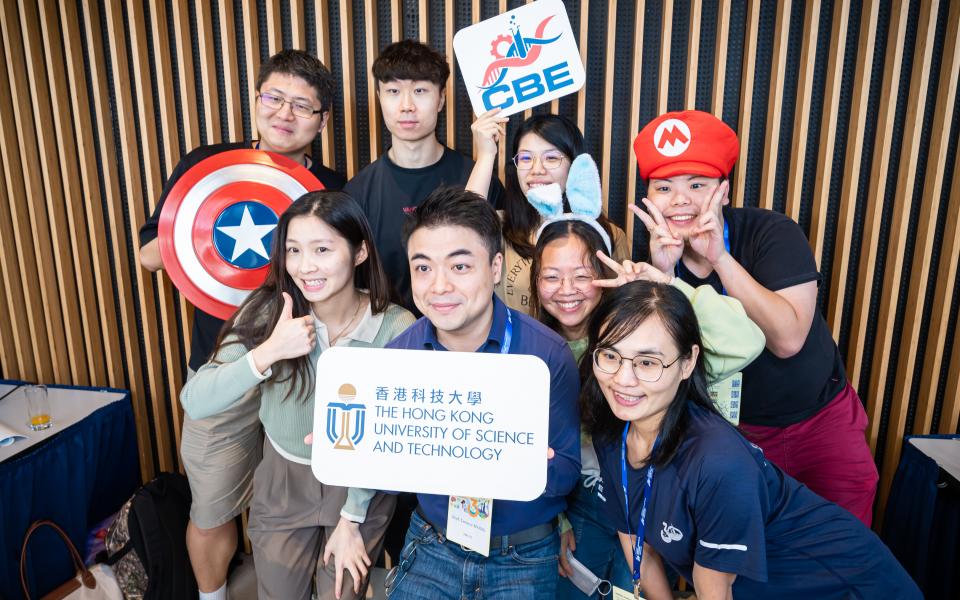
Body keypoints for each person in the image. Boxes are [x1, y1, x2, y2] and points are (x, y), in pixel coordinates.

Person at [137, 50, 346, 599]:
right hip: (222, 364)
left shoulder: (332, 187)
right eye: (274, 97)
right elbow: (149, 257)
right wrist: (206, 214)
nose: (285, 113)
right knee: (210, 507)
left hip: (302, 370)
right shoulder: (208, 167)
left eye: (303, 105)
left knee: (302, 508)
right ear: (256, 101)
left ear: (323, 121)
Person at [582, 281, 921, 599]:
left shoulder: (717, 461)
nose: (623, 379)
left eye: (647, 362)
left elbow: (713, 587)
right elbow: (632, 536)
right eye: (610, 356)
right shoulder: (612, 429)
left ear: (687, 363)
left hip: (847, 586)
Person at [525, 154, 764, 598]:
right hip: (579, 503)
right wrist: (551, 521)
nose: (567, 289)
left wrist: (667, 285)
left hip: (654, 497)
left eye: (584, 275)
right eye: (551, 277)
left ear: (606, 273)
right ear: (535, 282)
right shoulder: (530, 348)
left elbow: (746, 342)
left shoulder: (643, 334)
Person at [632, 110, 878, 525]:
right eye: (664, 188)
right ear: (649, 198)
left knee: (846, 547)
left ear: (723, 192)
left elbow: (788, 338)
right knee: (754, 558)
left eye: (697, 185)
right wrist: (667, 278)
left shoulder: (772, 232)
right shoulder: (654, 260)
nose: (680, 201)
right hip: (734, 435)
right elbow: (666, 368)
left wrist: (720, 258)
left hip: (820, 422)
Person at [180, 191, 415, 600]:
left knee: (341, 593)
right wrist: (269, 350)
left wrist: (352, 517)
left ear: (359, 252)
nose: (306, 267)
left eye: (322, 249)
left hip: (359, 486)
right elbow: (196, 400)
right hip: (284, 481)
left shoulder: (396, 326)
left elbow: (391, 439)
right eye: (293, 250)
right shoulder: (269, 312)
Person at [384, 186, 580, 599]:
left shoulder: (547, 355)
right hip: (432, 542)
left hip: (523, 552)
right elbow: (389, 460)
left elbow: (566, 473)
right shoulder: (399, 356)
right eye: (423, 268)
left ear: (495, 266)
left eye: (459, 266)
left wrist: (523, 462)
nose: (438, 286)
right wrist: (350, 452)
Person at [345, 40, 504, 313]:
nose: (407, 105)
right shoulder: (357, 193)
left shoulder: (478, 175)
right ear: (379, 97)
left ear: (441, 98)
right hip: (389, 343)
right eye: (393, 91)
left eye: (420, 91)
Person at [466, 111, 630, 314]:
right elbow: (461, 231)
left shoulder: (608, 235)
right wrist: (486, 154)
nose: (537, 169)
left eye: (551, 158)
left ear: (575, 165)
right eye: (526, 158)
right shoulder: (497, 227)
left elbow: (622, 311)